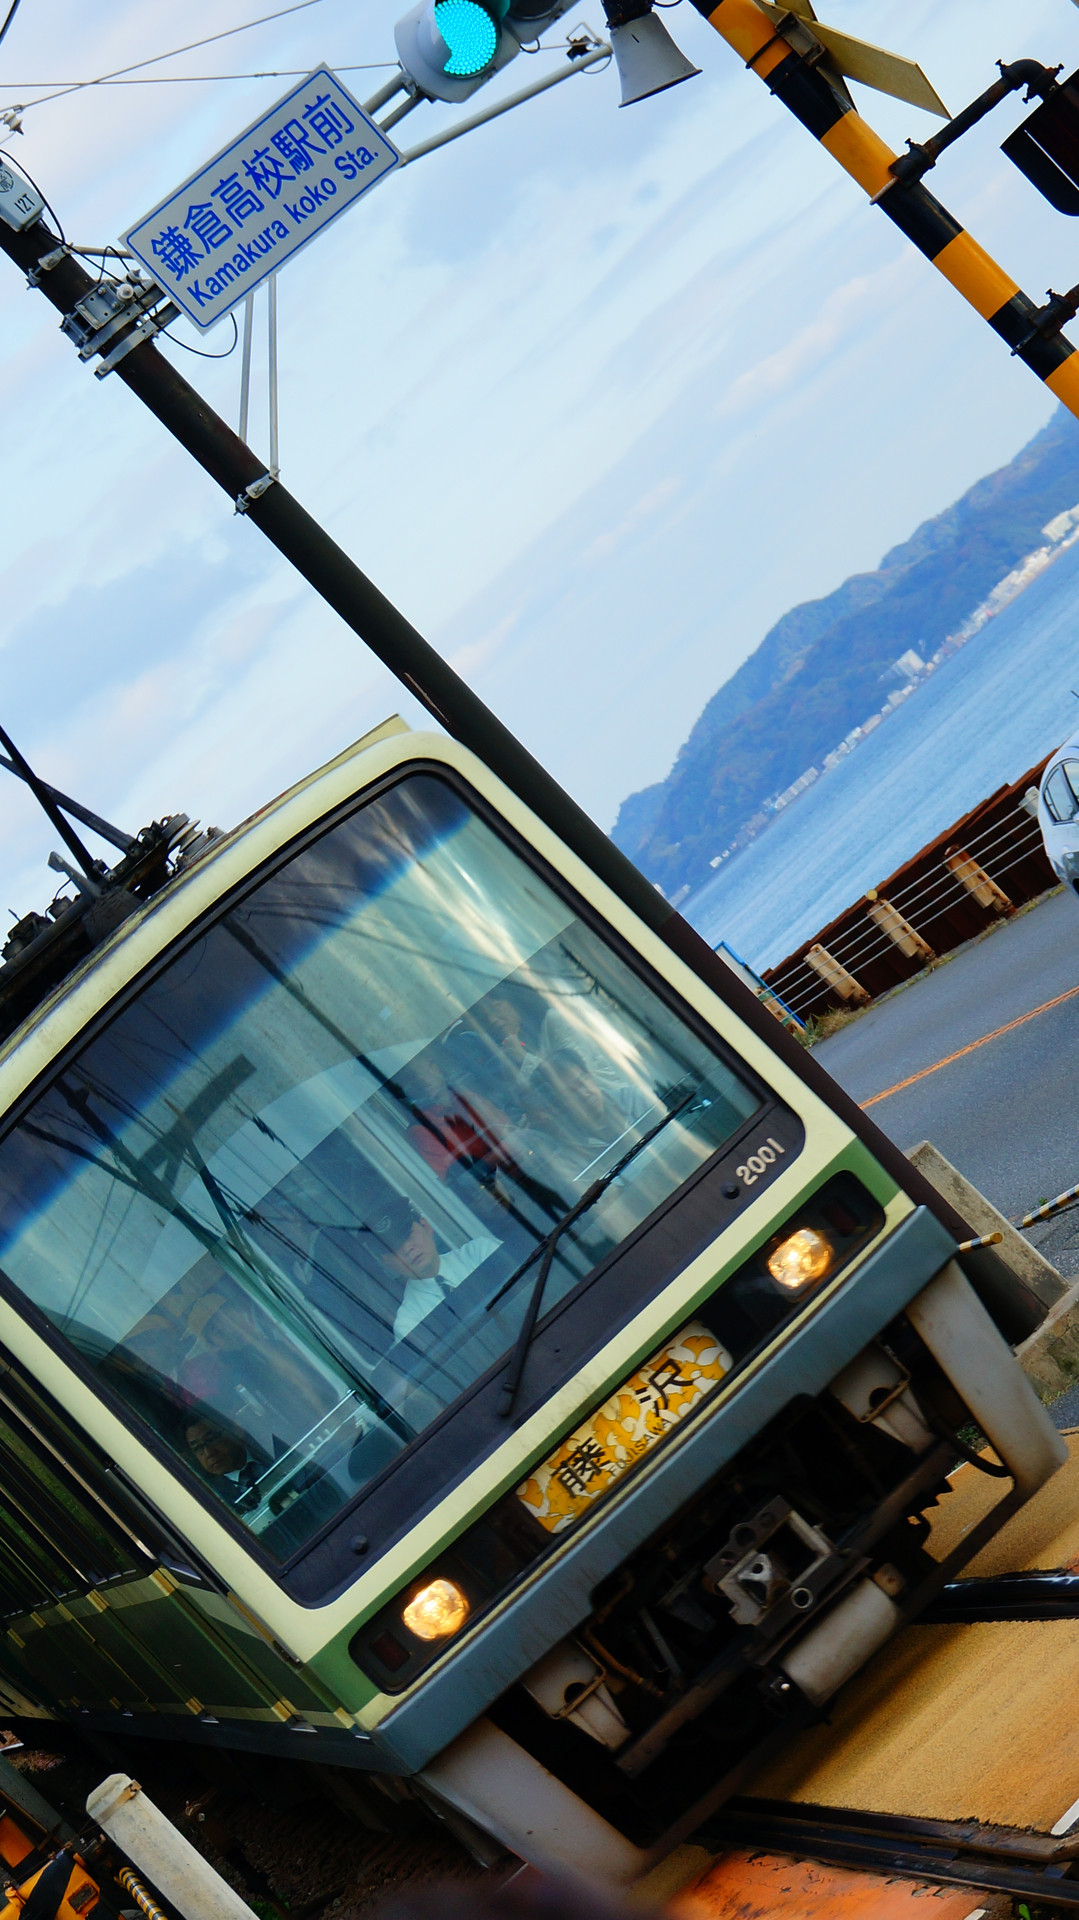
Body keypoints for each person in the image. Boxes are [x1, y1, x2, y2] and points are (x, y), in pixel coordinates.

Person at [364, 1195, 500, 1343]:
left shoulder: (481, 1253)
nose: (407, 1248)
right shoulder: (409, 1323)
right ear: (387, 1262)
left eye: (409, 1235)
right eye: (394, 1248)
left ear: (426, 1226)